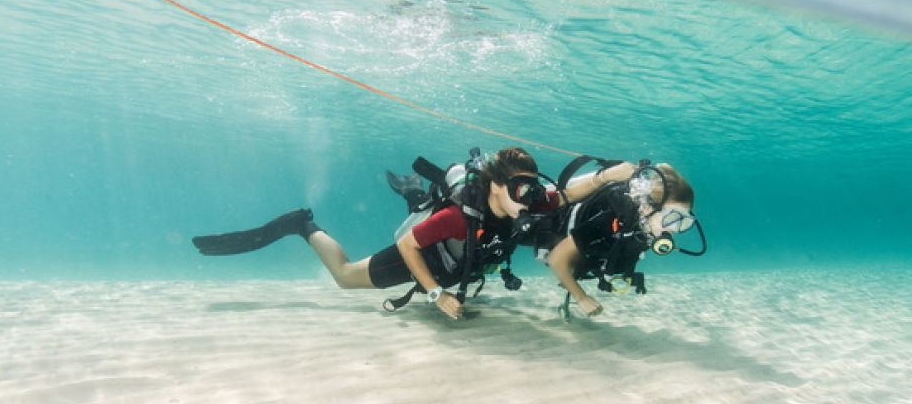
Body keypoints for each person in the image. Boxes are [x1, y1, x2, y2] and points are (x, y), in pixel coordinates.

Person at [193, 147, 615, 320]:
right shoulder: (457, 217)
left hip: (454, 260)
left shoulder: (520, 202)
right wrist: (435, 294)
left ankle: (413, 194)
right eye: (522, 190)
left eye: (532, 190)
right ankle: (301, 224)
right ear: (494, 186)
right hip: (424, 258)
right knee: (344, 277)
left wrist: (608, 177)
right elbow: (408, 243)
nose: (530, 200)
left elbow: (565, 193)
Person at [540, 161, 704, 321]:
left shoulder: (646, 229)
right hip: (551, 227)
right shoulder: (608, 221)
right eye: (671, 218)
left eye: (683, 222)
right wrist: (581, 298)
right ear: (647, 207)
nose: (674, 229)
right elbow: (556, 259)